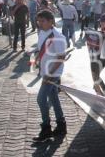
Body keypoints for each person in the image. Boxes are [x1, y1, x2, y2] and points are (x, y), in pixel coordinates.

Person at [33, 10, 67, 142]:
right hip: (45, 71)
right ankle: (61, 125)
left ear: (51, 21)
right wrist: (36, 57)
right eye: (39, 21)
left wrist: (50, 74)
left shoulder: (58, 37)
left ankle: (46, 128)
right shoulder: (42, 32)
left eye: (43, 21)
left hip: (52, 73)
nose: (40, 23)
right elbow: (41, 49)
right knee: (53, 98)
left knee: (41, 99)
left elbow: (61, 57)